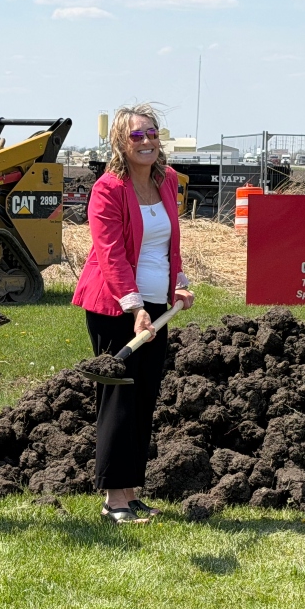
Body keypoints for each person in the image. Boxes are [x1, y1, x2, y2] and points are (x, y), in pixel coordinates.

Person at [73, 104, 195, 524]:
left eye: (151, 134)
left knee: (144, 396)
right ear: (121, 145)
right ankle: (113, 500)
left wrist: (178, 281)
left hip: (156, 305)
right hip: (115, 306)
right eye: (136, 136)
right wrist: (135, 307)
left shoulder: (167, 180)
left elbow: (167, 244)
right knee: (120, 397)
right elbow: (111, 255)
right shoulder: (108, 189)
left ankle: (130, 491)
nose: (146, 141)